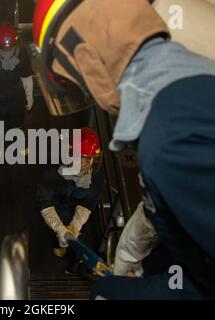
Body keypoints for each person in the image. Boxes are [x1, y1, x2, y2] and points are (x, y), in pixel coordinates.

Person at [33, 0, 215, 299]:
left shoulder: (168, 138)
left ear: (87, 56)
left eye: (73, 80)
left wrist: (126, 293)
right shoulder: (197, 76)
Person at [36, 128, 104, 264]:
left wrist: (75, 225)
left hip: (76, 212)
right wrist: (59, 228)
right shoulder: (51, 171)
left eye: (89, 159)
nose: (85, 164)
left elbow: (88, 202)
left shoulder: (95, 176)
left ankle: (74, 263)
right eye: (81, 158)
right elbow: (45, 203)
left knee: (82, 243)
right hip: (55, 210)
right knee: (53, 234)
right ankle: (57, 246)